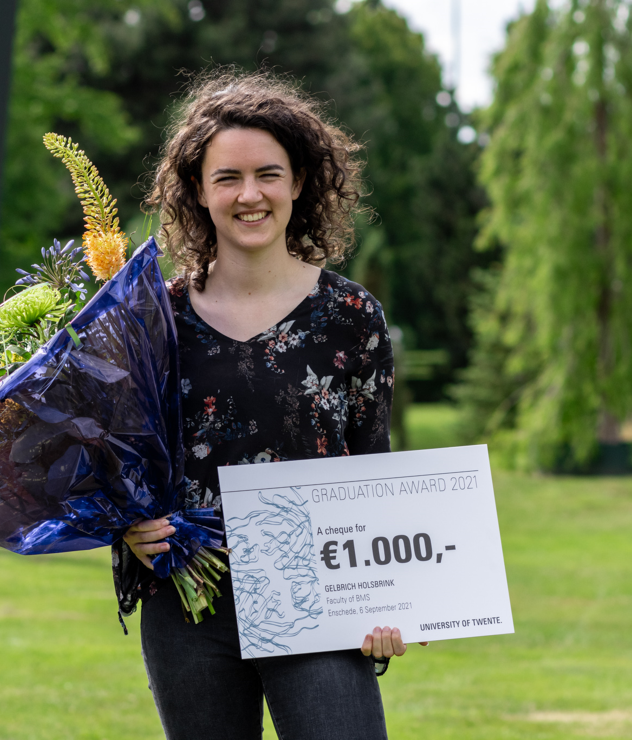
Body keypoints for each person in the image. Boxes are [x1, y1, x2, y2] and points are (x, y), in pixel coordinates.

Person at [113, 71, 425, 740]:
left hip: (322, 598)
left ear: (300, 181)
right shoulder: (154, 319)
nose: (249, 194)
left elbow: (373, 469)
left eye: (268, 174)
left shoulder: (351, 316)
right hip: (190, 602)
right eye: (227, 177)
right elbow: (123, 461)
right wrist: (129, 526)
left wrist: (389, 598)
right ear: (198, 189)